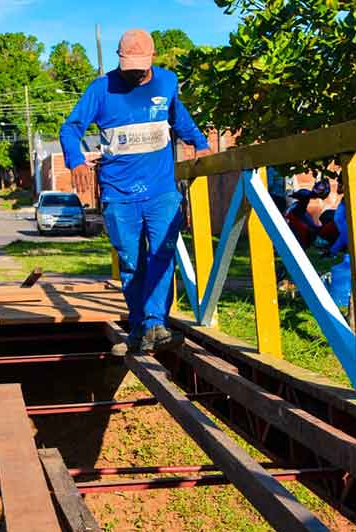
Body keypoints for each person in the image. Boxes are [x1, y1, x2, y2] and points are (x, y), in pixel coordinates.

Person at [59, 29, 211, 355]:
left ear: (152, 58)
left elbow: (178, 117)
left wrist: (199, 143)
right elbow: (71, 127)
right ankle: (141, 328)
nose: (135, 73)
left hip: (161, 193)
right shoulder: (101, 89)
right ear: (119, 58)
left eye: (141, 66)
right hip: (118, 194)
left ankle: (156, 322)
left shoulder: (167, 82)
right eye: (129, 66)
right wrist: (75, 160)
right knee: (131, 263)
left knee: (162, 255)